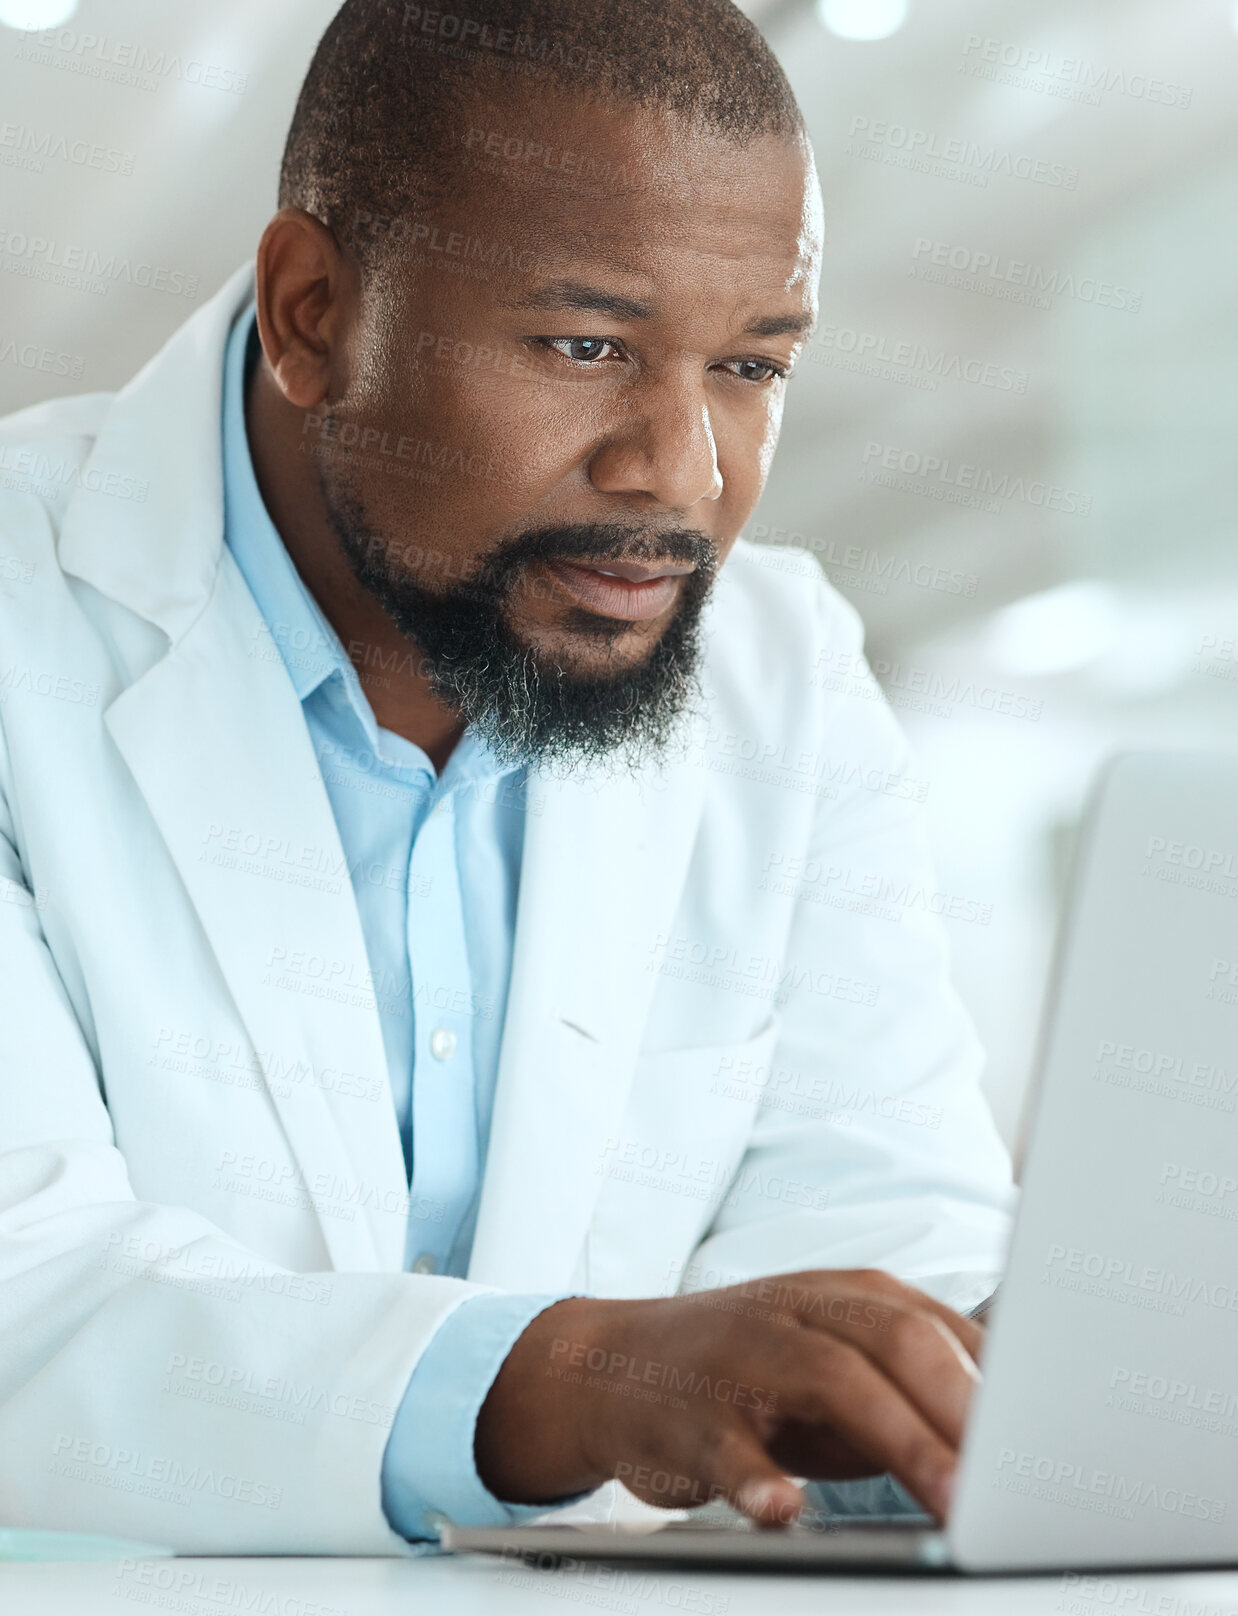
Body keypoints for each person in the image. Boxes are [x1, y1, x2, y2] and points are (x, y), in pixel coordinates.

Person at [0, 0, 1013, 1554]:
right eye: (585, 345)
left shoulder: (781, 671)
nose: (680, 471)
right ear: (313, 312)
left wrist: (946, 1392)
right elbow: (28, 1304)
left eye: (749, 365)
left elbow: (883, 1233)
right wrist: (567, 1387)